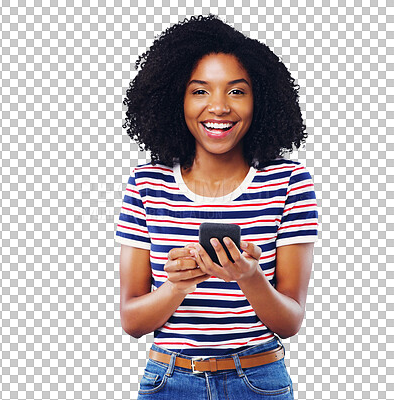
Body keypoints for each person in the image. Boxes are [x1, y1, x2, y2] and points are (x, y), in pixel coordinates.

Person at [115, 14, 318, 399]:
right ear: (177, 99)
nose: (219, 107)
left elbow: (290, 321)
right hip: (168, 381)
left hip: (258, 382)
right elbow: (132, 321)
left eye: (237, 91)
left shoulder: (290, 182)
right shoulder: (147, 184)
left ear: (261, 100)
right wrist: (179, 284)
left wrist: (249, 276)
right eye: (200, 91)